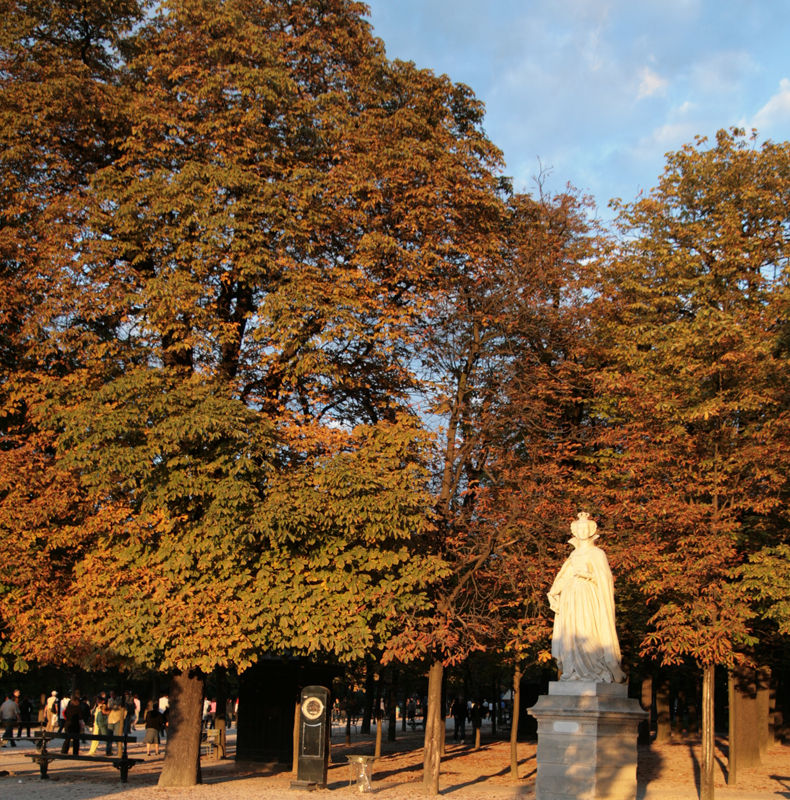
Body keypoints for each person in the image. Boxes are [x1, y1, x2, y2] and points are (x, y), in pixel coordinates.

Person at [547, 512, 626, 683]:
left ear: (591, 530)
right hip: (570, 598)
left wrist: (588, 576)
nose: (582, 531)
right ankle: (573, 670)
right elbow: (563, 577)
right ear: (574, 531)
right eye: (579, 528)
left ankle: (594, 670)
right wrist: (554, 592)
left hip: (587, 597)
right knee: (572, 633)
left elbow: (604, 579)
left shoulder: (597, 553)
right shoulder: (573, 555)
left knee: (588, 631)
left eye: (585, 528)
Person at [60, 691, 83, 755]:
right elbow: (80, 717)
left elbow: (64, 713)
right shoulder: (78, 708)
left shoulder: (68, 707)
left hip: (68, 723)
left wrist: (66, 718)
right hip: (75, 725)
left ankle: (64, 751)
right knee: (76, 740)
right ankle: (75, 752)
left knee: (67, 739)